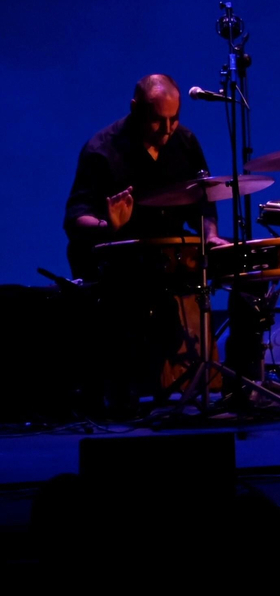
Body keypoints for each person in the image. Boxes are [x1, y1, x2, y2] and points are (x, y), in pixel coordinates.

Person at [63, 74, 266, 403]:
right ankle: (126, 391)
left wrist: (211, 236)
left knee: (251, 272)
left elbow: (204, 200)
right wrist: (108, 225)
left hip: (173, 249)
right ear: (135, 108)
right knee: (137, 297)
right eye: (158, 120)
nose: (167, 129)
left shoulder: (184, 141)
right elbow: (75, 217)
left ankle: (238, 382)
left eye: (174, 119)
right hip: (122, 254)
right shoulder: (102, 149)